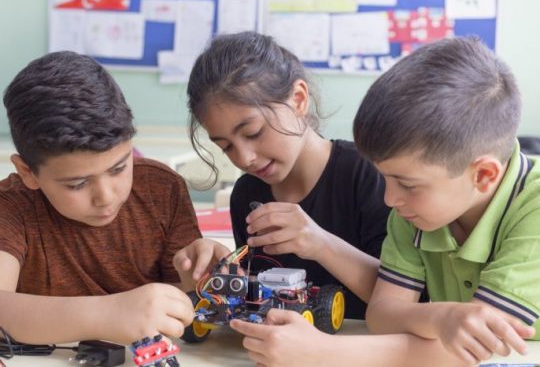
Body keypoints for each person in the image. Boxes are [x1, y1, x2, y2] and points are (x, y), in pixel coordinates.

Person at [228, 37, 539, 367]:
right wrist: (441, 317)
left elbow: (480, 350)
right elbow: (382, 313)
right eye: (386, 178)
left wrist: (322, 353)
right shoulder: (416, 209)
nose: (390, 199)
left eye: (406, 184)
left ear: (484, 175)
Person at [0, 51, 229, 345]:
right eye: (77, 184)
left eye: (119, 167)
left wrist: (198, 274)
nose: (106, 197)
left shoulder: (162, 189)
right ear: (28, 171)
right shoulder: (12, 206)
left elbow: (183, 305)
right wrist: (107, 314)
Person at [185, 31, 390, 321]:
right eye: (226, 146)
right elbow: (259, 300)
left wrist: (320, 244)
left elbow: (409, 297)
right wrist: (225, 275)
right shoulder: (247, 194)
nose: (244, 158)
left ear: (298, 99)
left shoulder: (368, 174)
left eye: (254, 133)